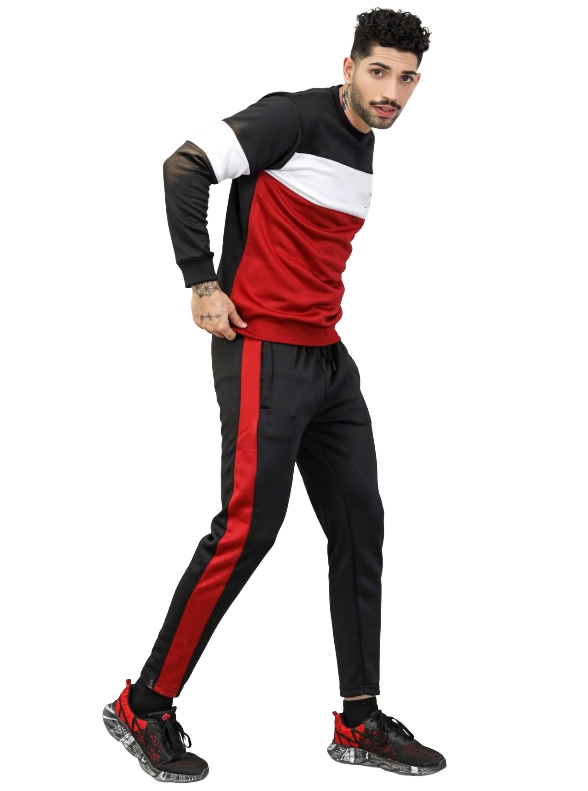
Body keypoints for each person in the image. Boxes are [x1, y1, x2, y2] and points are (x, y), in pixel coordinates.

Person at [102, 7, 446, 782]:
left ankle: (359, 720)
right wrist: (201, 280)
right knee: (248, 528)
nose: (390, 91)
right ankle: (143, 705)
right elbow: (183, 166)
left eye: (405, 79)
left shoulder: (364, 140)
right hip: (263, 348)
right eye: (378, 71)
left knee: (360, 522)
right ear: (349, 66)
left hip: (327, 357)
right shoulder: (290, 116)